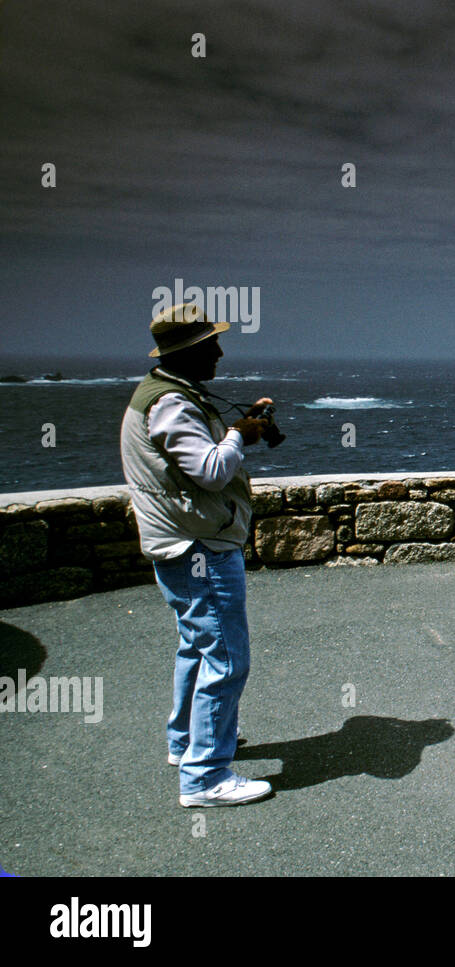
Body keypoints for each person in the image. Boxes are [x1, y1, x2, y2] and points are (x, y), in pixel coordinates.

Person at [120, 302, 275, 806]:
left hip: (180, 541)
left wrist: (240, 426)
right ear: (188, 351)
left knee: (197, 645)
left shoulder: (165, 394)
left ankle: (185, 742)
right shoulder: (172, 403)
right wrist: (240, 435)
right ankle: (206, 778)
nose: (220, 352)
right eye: (211, 345)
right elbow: (210, 471)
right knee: (227, 658)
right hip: (199, 546)